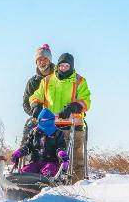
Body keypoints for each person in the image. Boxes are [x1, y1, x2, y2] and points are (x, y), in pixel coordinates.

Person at [28, 52, 91, 183]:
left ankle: (76, 188)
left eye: (66, 66)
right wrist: (35, 105)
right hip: (50, 127)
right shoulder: (46, 81)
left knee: (75, 161)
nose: (63, 68)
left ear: (71, 67)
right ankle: (45, 185)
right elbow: (35, 96)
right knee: (46, 158)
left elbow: (86, 101)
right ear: (58, 65)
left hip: (74, 126)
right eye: (61, 65)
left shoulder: (79, 81)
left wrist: (73, 107)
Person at [10, 108, 69, 176]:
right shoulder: (34, 132)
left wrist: (61, 153)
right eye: (41, 120)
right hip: (35, 162)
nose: (43, 122)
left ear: (51, 120)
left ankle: (45, 183)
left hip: (51, 163)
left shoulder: (58, 133)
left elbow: (61, 146)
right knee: (25, 172)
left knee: (48, 171)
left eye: (46, 120)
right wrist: (20, 152)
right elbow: (28, 146)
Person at [21, 44, 54, 142]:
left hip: (58, 117)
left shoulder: (58, 78)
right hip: (39, 118)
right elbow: (26, 103)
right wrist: (35, 113)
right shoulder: (32, 82)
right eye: (39, 59)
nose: (42, 62)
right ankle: (23, 154)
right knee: (29, 127)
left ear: (49, 60)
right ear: (36, 62)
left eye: (45, 59)